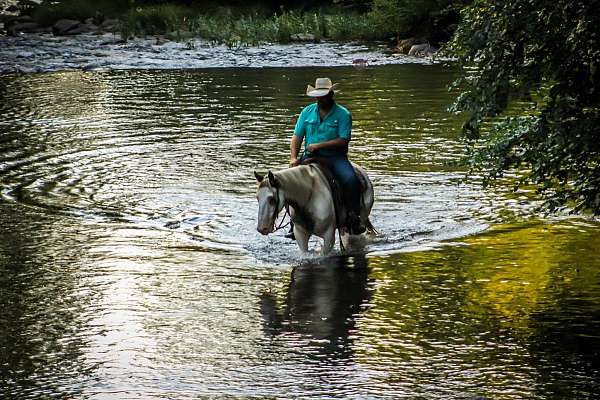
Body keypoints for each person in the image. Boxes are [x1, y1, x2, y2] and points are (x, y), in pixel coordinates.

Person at [287, 77, 365, 238]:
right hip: (310, 156)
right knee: (289, 183)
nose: (320, 99)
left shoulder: (343, 114)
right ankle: (294, 222)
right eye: (318, 96)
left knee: (351, 180)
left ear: (331, 95)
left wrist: (319, 146)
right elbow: (296, 136)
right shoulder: (307, 112)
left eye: (323, 96)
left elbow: (344, 140)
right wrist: (293, 158)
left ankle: (353, 218)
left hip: (335, 157)